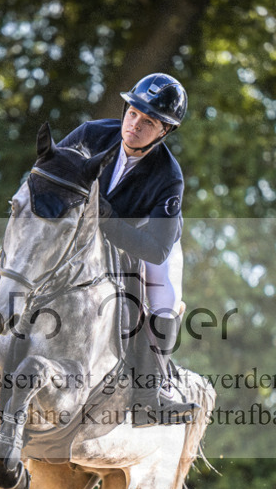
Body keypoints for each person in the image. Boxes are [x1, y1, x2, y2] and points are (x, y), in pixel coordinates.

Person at [58, 72, 196, 427]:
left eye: (148, 121)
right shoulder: (91, 134)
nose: (134, 124)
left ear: (164, 131)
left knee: (163, 293)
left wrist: (105, 219)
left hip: (144, 242)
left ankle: (151, 394)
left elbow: (157, 248)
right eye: (133, 112)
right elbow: (49, 171)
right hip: (79, 233)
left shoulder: (169, 176)